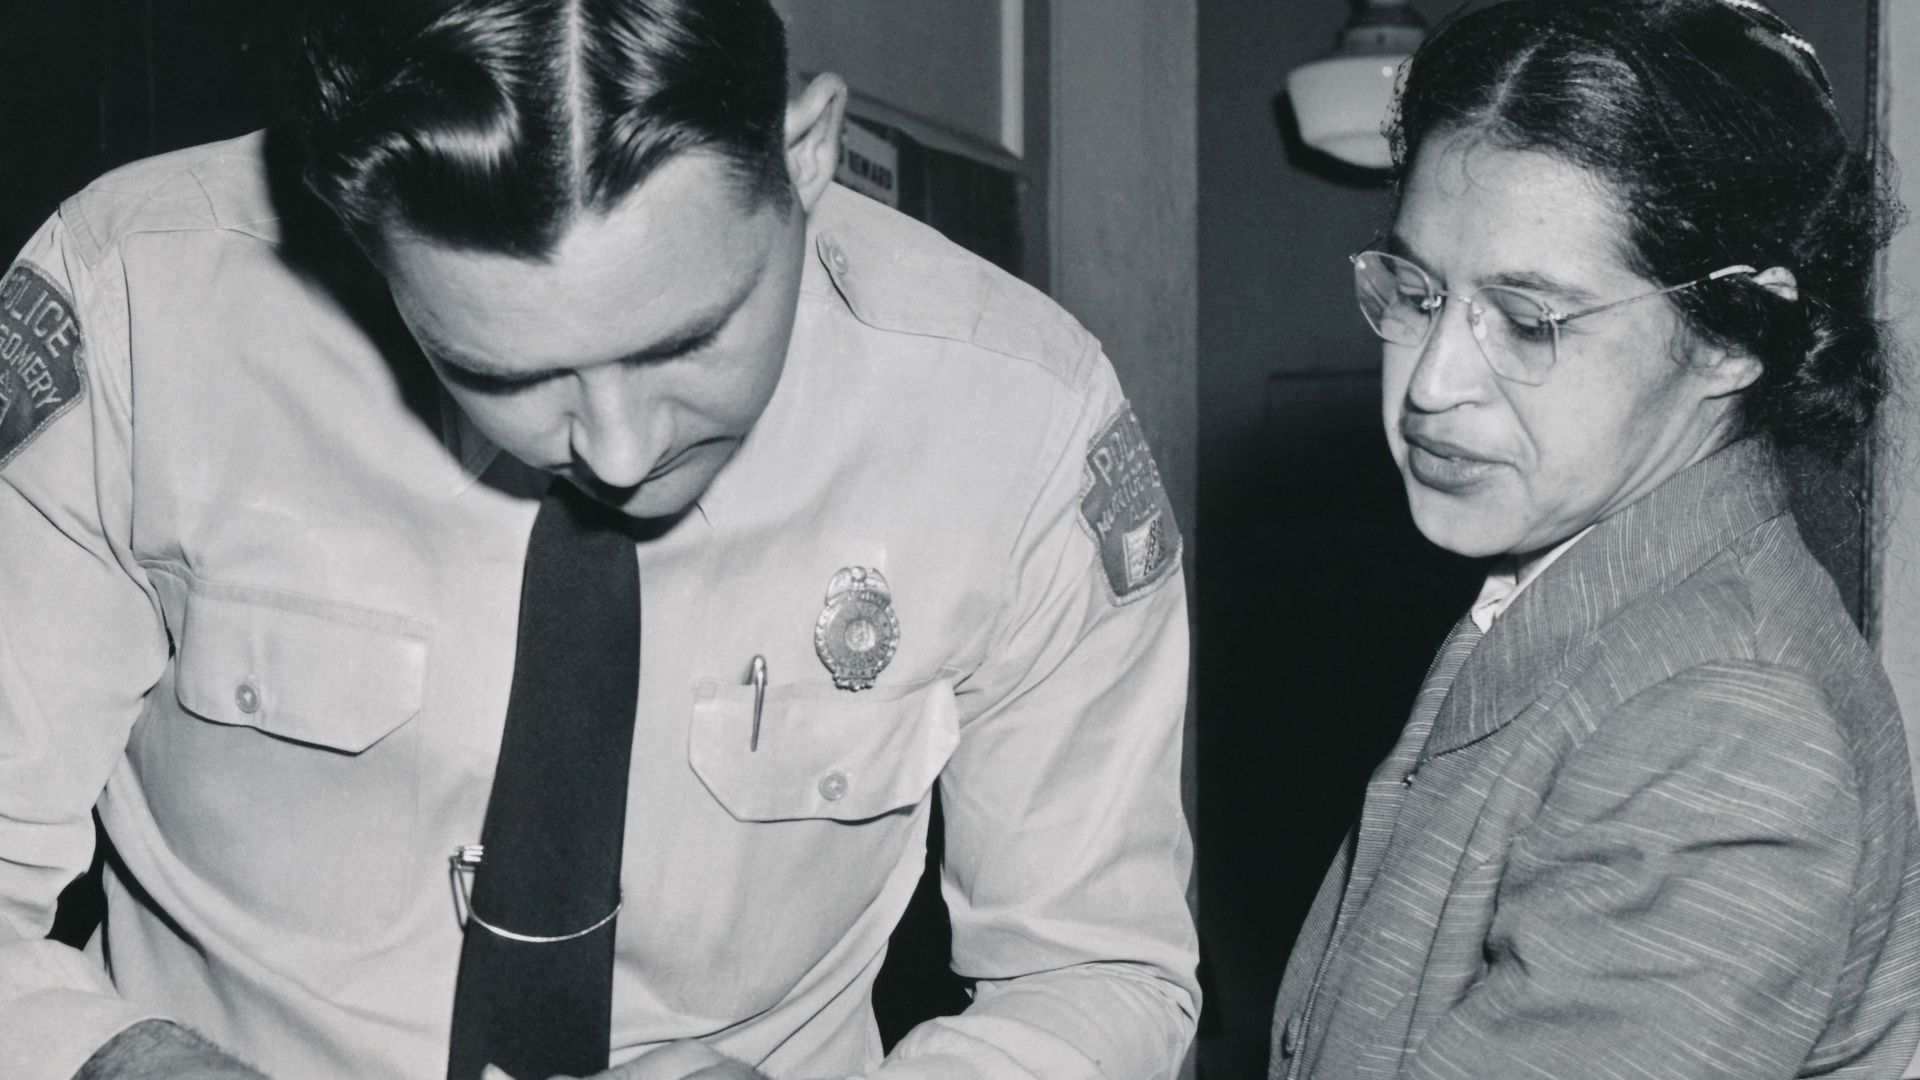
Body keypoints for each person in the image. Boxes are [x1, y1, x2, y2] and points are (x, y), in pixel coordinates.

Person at [0, 1, 1200, 1078]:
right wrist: (131, 1064)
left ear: (809, 149)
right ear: (352, 230)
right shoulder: (133, 314)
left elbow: (1102, 973)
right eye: (497, 370)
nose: (619, 452)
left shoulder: (1020, 421)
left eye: (689, 341)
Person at [1269, 1, 1920, 1078]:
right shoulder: (1582, 590)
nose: (1431, 383)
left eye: (1528, 321)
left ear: (1731, 336)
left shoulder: (1726, 723)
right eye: (1418, 292)